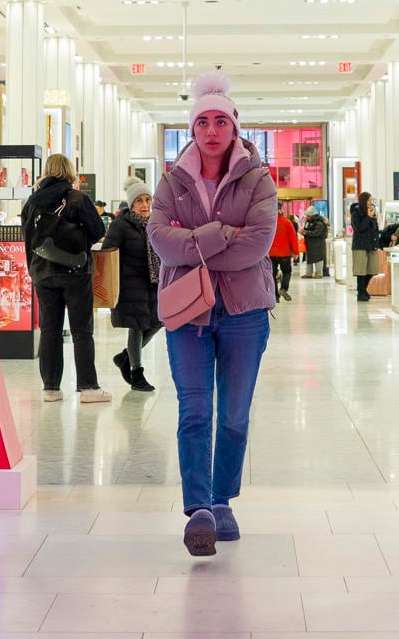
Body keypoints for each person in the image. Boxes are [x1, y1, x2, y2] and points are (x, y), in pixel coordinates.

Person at [151, 71, 277, 557]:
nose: (210, 130)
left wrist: (194, 243)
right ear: (191, 128)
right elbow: (160, 239)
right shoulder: (170, 180)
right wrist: (222, 232)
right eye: (201, 121)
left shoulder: (258, 179)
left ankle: (223, 499)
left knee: (234, 416)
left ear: (234, 127)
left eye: (220, 121)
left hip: (245, 311)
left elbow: (257, 244)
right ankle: (199, 509)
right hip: (187, 312)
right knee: (195, 410)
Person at [20, 153, 110, 403]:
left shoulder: (32, 202)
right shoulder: (77, 198)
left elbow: (28, 239)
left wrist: (34, 269)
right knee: (82, 329)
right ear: (69, 171)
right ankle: (88, 387)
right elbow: (98, 230)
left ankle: (51, 388)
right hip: (76, 271)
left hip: (43, 273)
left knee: (50, 329)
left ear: (47, 171)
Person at [103, 180, 160, 392]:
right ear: (131, 204)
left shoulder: (155, 222)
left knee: (158, 321)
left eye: (147, 200)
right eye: (139, 201)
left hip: (153, 282)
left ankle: (124, 357)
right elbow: (108, 252)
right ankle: (137, 373)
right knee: (136, 327)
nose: (144, 205)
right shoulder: (121, 224)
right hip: (130, 284)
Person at [349, 192, 381, 302]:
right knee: (361, 270)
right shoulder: (356, 213)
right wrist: (368, 217)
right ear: (363, 201)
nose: (370, 202)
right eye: (368, 200)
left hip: (371, 244)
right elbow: (359, 228)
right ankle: (361, 292)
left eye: (371, 200)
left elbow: (375, 228)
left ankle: (363, 289)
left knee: (372, 269)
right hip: (360, 245)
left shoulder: (372, 212)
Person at [268, 206, 299, 302]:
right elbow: (293, 238)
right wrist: (295, 252)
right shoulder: (287, 222)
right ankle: (283, 289)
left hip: (271, 253)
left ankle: (275, 296)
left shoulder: (269, 223)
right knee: (286, 272)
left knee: (272, 274)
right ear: (281, 210)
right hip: (284, 253)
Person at [301, 205, 329, 277]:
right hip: (310, 244)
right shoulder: (308, 222)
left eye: (308, 215)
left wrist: (306, 233)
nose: (307, 217)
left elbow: (317, 233)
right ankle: (309, 274)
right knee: (309, 259)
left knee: (318, 259)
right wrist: (305, 232)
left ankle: (319, 273)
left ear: (312, 215)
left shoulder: (319, 223)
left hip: (318, 244)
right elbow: (308, 230)